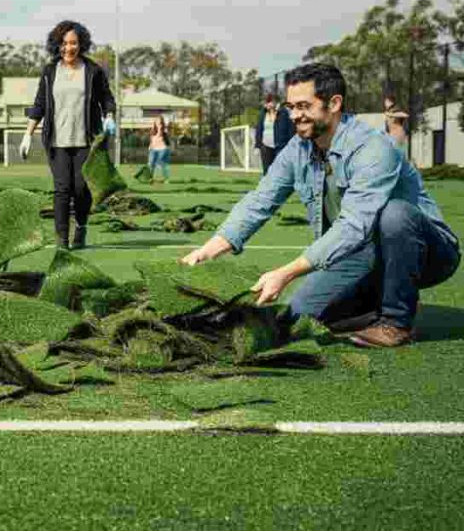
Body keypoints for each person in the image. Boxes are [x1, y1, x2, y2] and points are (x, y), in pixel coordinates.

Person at [181, 63, 460, 348]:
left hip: (429, 254)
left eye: (304, 106)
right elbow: (261, 199)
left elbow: (354, 225)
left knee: (395, 215)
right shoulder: (297, 148)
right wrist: (212, 246)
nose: (295, 115)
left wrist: (286, 273)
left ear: (334, 103)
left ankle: (396, 321)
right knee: (298, 316)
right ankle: (377, 299)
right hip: (360, 251)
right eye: (291, 107)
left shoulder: (373, 148)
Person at [19, 20, 117, 250]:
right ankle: (62, 240)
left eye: (73, 43)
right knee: (62, 189)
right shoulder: (50, 71)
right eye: (63, 43)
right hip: (57, 142)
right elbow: (40, 104)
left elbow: (107, 98)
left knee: (81, 189)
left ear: (81, 44)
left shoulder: (92, 71)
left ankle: (81, 227)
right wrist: (27, 135)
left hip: (86, 141)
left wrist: (109, 116)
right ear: (57, 45)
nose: (68, 48)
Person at [255, 92, 294, 174]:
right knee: (266, 171)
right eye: (265, 103)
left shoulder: (284, 112)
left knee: (280, 171)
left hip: (280, 146)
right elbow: (259, 130)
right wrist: (257, 146)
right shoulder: (263, 113)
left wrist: (291, 145)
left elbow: (291, 130)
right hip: (265, 147)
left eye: (268, 102)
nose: (266, 105)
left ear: (274, 102)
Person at [382, 92, 410, 157]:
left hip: (398, 135)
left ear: (391, 102)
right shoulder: (388, 112)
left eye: (386, 101)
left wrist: (391, 115)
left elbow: (405, 115)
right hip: (391, 136)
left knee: (398, 155)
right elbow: (387, 127)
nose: (385, 103)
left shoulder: (396, 109)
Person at [147, 115, 172, 183]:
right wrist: (150, 147)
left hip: (162, 149)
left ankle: (166, 179)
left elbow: (166, 138)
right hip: (153, 149)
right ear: (155, 123)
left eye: (160, 122)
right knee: (151, 163)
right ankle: (150, 178)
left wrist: (162, 127)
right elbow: (151, 140)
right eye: (157, 122)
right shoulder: (152, 132)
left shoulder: (164, 131)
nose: (159, 124)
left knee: (163, 164)